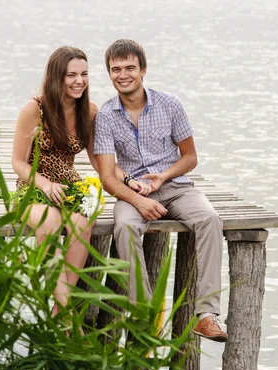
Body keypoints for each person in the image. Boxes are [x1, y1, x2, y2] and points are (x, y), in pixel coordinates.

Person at [93, 39, 227, 342]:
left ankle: (206, 315)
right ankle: (144, 312)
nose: (123, 74)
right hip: (132, 193)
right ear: (109, 74)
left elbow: (190, 157)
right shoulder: (105, 116)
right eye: (116, 69)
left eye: (130, 67)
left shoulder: (170, 104)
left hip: (176, 187)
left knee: (209, 219)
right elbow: (106, 176)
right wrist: (139, 200)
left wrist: (163, 176)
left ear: (143, 70)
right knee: (125, 226)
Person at [11, 46, 102, 319]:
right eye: (71, 75)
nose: (79, 81)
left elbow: (99, 161)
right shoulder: (34, 109)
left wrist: (126, 182)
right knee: (49, 225)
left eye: (84, 74)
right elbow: (18, 162)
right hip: (34, 186)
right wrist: (45, 185)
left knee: (83, 221)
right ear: (56, 77)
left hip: (70, 185)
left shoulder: (89, 111)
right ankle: (66, 315)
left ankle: (57, 312)